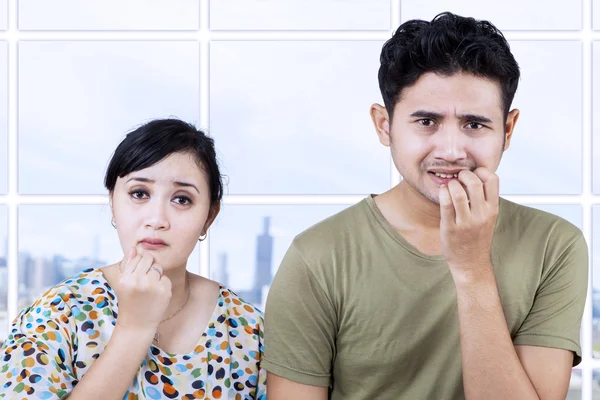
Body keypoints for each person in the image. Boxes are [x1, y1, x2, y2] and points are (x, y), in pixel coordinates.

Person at [263, 12, 588, 400]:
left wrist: (471, 270)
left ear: (509, 129)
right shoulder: (317, 256)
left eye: (474, 125)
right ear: (384, 126)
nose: (451, 151)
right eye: (427, 122)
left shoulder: (555, 246)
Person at [0, 119, 267, 399]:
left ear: (209, 217)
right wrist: (134, 328)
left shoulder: (247, 329)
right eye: (139, 193)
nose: (157, 219)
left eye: (182, 199)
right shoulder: (56, 316)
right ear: (112, 203)